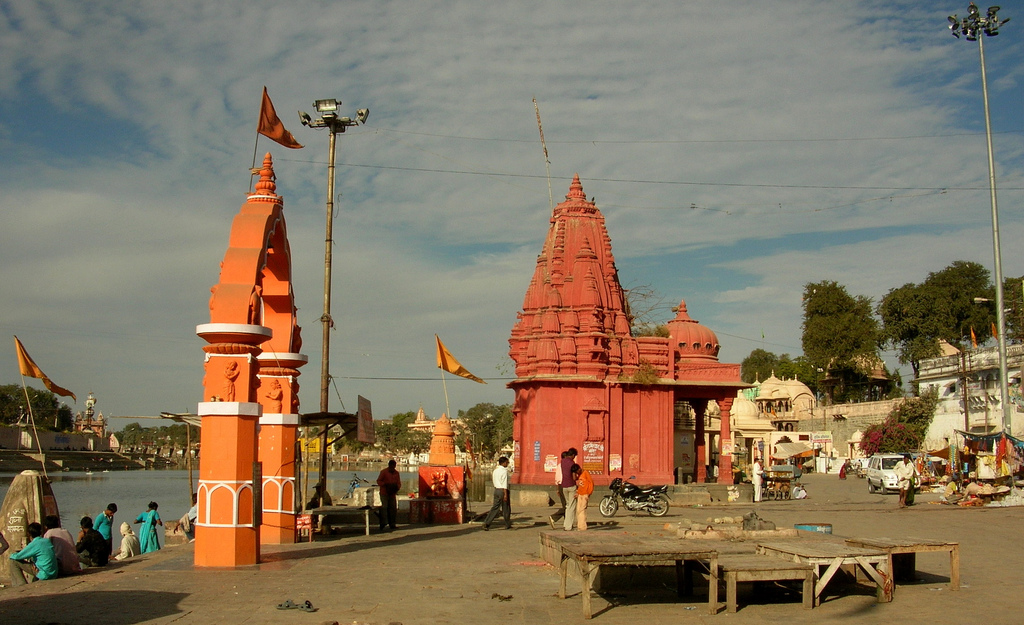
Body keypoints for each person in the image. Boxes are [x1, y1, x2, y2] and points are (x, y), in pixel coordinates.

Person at [482, 456, 512, 530]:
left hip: (496, 490)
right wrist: (505, 494)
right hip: (503, 490)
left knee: (495, 508)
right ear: (504, 463)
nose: (507, 464)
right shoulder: (504, 471)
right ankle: (507, 524)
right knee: (506, 508)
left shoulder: (495, 471)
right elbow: (504, 483)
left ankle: (487, 522)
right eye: (507, 462)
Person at [376, 459, 402, 531]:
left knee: (393, 509)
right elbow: (378, 481)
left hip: (392, 493)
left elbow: (399, 483)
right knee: (384, 508)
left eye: (394, 466)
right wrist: (385, 484)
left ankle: (392, 524)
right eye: (391, 466)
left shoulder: (397, 473)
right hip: (384, 493)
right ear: (389, 465)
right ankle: (383, 523)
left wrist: (396, 488)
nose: (392, 468)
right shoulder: (384, 472)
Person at [548, 450, 569, 529]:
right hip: (565, 485)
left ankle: (567, 522)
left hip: (560, 485)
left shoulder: (559, 466)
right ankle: (554, 517)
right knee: (567, 506)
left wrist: (557, 489)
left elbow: (557, 478)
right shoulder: (564, 466)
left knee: (566, 505)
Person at [560, 447, 579, 531]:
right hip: (571, 485)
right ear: (573, 455)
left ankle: (565, 524)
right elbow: (574, 477)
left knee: (568, 506)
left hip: (564, 485)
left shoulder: (562, 461)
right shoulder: (572, 463)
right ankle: (568, 526)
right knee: (571, 506)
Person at [573, 464, 594, 531]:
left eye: (577, 471)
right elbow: (580, 485)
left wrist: (589, 493)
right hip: (580, 494)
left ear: (579, 469)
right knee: (578, 510)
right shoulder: (580, 475)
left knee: (582, 510)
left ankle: (582, 526)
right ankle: (579, 525)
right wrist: (578, 492)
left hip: (585, 494)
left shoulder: (586, 473)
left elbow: (591, 483)